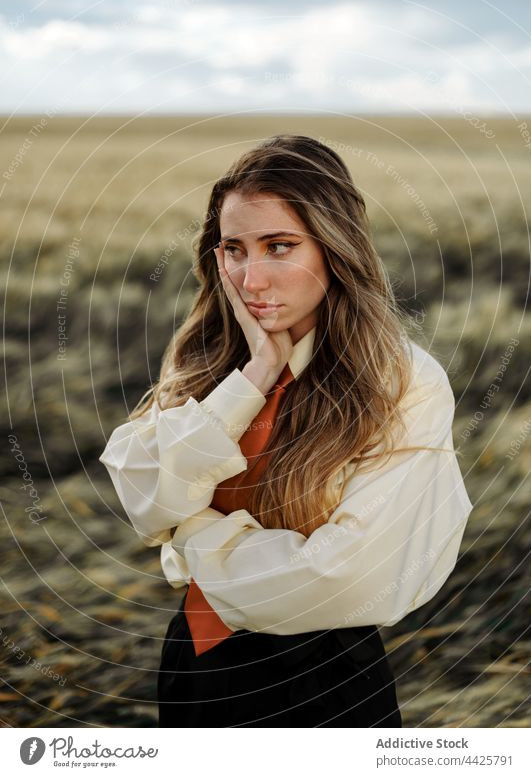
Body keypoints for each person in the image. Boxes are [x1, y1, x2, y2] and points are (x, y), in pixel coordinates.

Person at [99, 134, 473, 728]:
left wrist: (195, 536)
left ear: (335, 246)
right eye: (234, 249)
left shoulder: (402, 381)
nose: (251, 280)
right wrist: (250, 381)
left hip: (325, 683)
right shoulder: (206, 357)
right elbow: (142, 495)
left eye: (279, 246)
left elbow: (350, 577)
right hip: (194, 668)